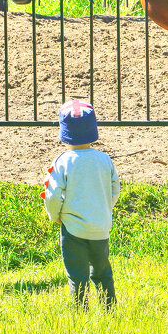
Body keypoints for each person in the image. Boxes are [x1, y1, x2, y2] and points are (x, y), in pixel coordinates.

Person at [42, 99, 121, 308]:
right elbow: (115, 189)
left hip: (73, 228)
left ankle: (80, 313)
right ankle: (109, 311)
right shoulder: (104, 160)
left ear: (64, 132)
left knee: (77, 276)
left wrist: (55, 215)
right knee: (103, 272)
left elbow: (52, 195)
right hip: (100, 228)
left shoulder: (62, 162)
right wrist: (104, 208)